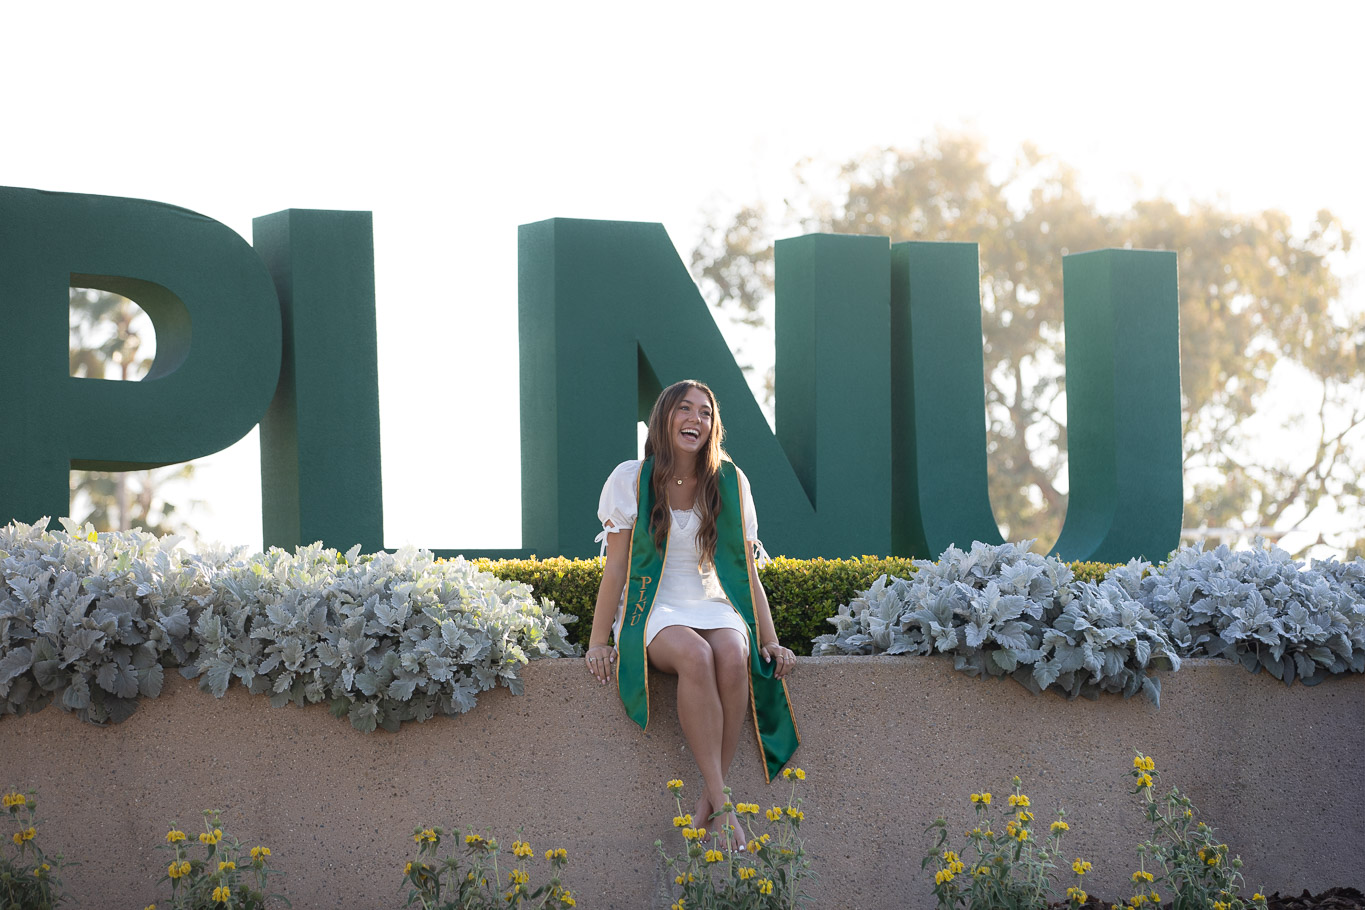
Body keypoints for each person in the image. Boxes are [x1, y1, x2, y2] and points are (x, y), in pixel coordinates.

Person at [584, 379, 799, 847]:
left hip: (711, 600)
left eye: (705, 413)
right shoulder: (630, 479)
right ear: (664, 417)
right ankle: (723, 805)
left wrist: (768, 639)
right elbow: (617, 567)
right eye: (685, 409)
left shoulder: (729, 481)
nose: (695, 419)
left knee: (731, 649)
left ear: (712, 427)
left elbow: (746, 573)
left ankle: (711, 795)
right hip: (655, 605)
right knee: (696, 657)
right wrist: (599, 640)